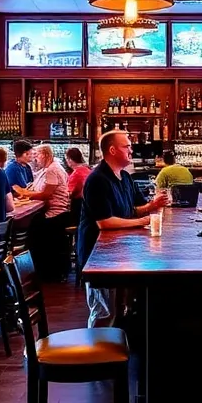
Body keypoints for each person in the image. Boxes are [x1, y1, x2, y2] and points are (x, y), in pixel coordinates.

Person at [78, 130, 168, 328]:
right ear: (112, 150)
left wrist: (152, 205)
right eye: (126, 146)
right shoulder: (97, 180)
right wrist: (144, 220)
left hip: (119, 253)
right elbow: (105, 222)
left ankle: (121, 351)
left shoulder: (125, 177)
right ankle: (98, 355)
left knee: (120, 309)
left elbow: (132, 210)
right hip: (99, 258)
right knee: (104, 313)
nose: (131, 149)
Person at [14, 145, 72, 281]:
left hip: (55, 214)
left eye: (37, 155)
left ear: (45, 155)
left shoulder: (52, 170)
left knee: (33, 229)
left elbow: (46, 194)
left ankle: (41, 272)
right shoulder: (53, 167)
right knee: (35, 224)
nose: (35, 158)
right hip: (61, 212)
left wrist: (26, 194)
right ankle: (42, 271)